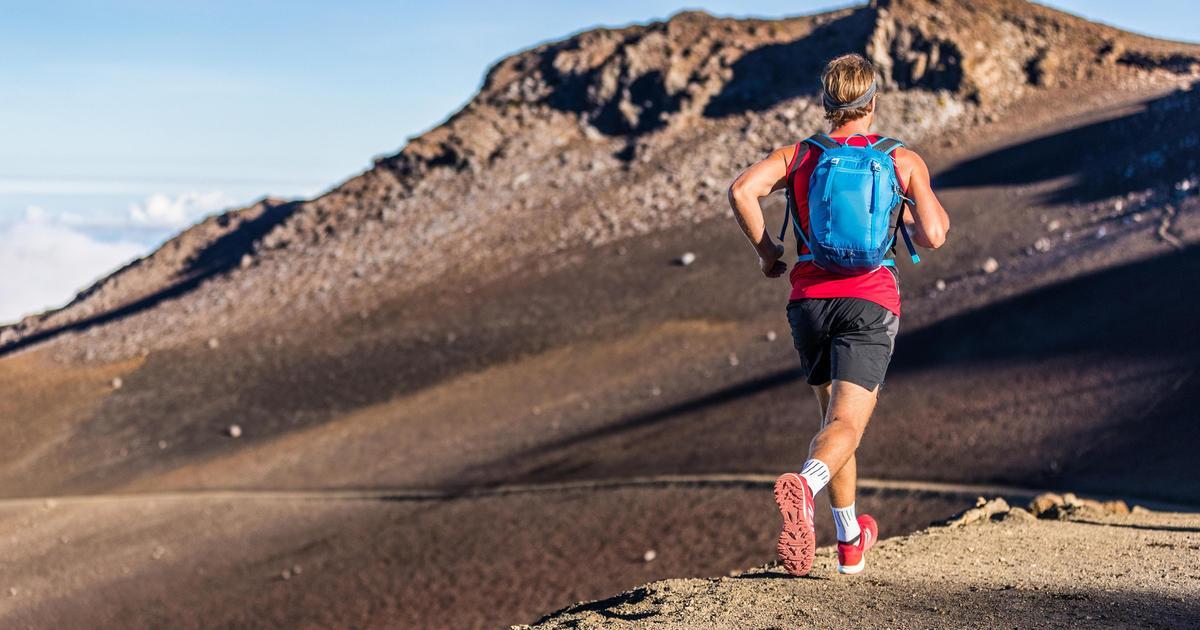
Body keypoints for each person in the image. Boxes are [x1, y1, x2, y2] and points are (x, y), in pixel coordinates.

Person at [726, 53, 950, 576]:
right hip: (869, 300)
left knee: (834, 422)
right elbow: (934, 235)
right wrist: (909, 201)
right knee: (847, 423)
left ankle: (850, 541)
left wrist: (767, 252)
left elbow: (742, 190)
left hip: (809, 302)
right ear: (872, 103)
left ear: (828, 103)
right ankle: (805, 487)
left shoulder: (801, 155)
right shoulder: (899, 158)